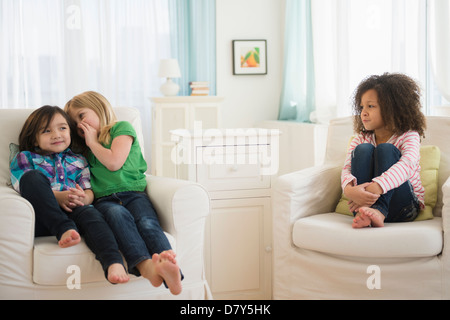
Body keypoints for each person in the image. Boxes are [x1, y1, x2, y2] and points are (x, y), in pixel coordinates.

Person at [65, 91, 183, 295]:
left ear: (99, 107)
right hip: (104, 201)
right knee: (118, 216)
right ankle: (148, 268)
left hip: (134, 193)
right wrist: (84, 197)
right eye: (75, 124)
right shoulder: (85, 151)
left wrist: (93, 142)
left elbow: (113, 162)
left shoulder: (121, 128)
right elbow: (90, 185)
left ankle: (171, 270)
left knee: (147, 223)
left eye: (82, 116)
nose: (80, 125)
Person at [9, 106, 129, 284]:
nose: (56, 134)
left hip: (76, 209)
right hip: (44, 216)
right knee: (32, 178)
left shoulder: (79, 160)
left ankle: (113, 262)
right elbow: (23, 185)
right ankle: (63, 229)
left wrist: (85, 197)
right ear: (34, 138)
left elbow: (88, 188)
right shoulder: (25, 157)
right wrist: (57, 197)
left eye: (62, 128)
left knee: (93, 216)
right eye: (46, 131)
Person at [341, 73, 427, 228]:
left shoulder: (409, 136)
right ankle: (367, 214)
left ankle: (379, 211)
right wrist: (349, 191)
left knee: (385, 149)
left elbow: (407, 165)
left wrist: (375, 187)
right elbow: (347, 168)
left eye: (371, 106)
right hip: (364, 204)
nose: (363, 113)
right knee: (362, 149)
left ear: (391, 108)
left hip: (403, 207)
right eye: (362, 107)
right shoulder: (361, 138)